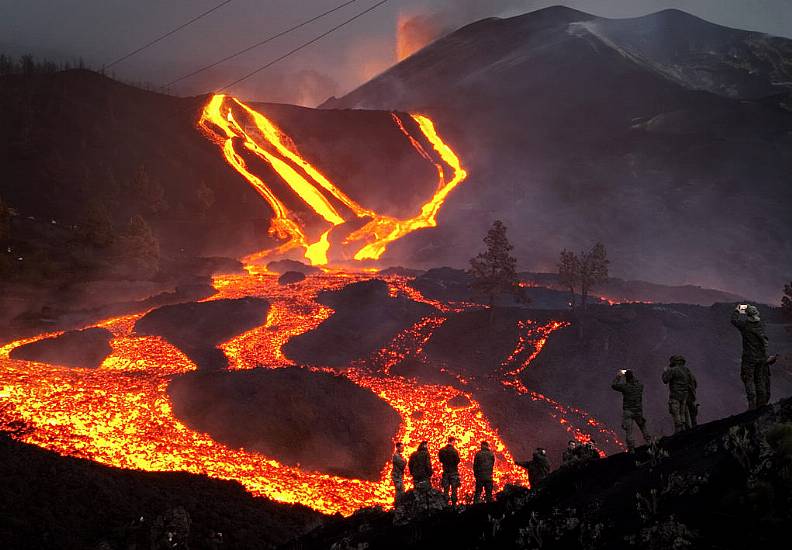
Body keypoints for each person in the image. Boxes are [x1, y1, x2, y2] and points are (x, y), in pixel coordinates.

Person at [731, 304, 774, 409]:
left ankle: (752, 405)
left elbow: (733, 320)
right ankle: (761, 405)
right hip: (761, 358)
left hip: (749, 358)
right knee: (759, 380)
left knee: (748, 379)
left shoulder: (745, 326)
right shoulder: (760, 325)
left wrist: (738, 309)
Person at [611, 369, 652, 451]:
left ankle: (632, 449)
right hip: (638, 411)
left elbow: (613, 385)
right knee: (643, 427)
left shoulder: (625, 387)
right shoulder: (640, 386)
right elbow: (639, 384)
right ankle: (649, 442)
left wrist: (619, 375)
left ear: (626, 378)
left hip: (628, 411)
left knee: (629, 431)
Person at [662, 356, 692, 433]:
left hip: (675, 395)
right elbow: (691, 382)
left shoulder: (673, 370)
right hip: (684, 395)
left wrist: (665, 371)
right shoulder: (687, 370)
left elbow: (665, 380)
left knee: (676, 413)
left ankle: (678, 433)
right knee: (683, 414)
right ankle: (685, 431)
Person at [438, 436, 461, 506]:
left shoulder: (442, 450)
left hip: (445, 472)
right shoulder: (454, 451)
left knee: (446, 490)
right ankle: (454, 506)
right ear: (453, 441)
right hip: (453, 473)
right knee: (454, 490)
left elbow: (440, 460)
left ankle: (445, 506)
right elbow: (457, 461)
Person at [679, 360, 699, 427]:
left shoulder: (680, 374)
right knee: (692, 414)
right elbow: (695, 384)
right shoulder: (690, 373)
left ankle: (689, 429)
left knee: (686, 414)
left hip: (685, 397)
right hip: (691, 396)